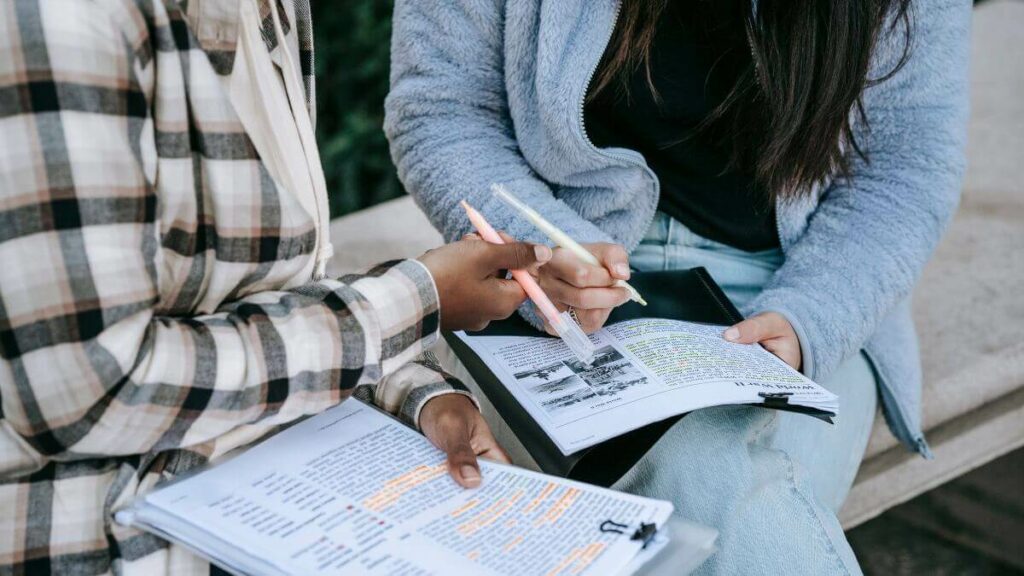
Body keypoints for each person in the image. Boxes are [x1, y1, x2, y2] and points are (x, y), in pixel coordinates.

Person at [386, 0, 970, 573]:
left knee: (695, 482)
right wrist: (546, 250)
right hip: (555, 283)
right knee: (700, 481)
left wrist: (809, 319)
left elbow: (905, 167)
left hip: (802, 282)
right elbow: (441, 109)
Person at [0, 1, 554, 573]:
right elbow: (88, 391)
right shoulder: (64, 19)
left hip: (270, 494)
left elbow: (268, 296)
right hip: (119, 537)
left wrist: (419, 393)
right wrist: (417, 301)